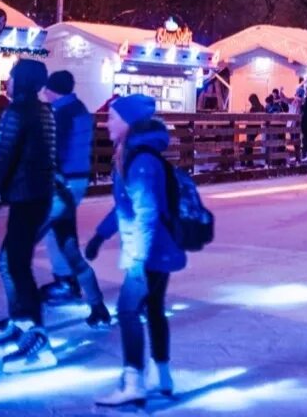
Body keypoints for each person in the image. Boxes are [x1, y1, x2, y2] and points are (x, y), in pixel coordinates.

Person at [87, 95, 186, 408]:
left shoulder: (141, 161)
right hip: (158, 249)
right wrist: (101, 235)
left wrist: (139, 260)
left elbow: (145, 212)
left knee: (129, 311)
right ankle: (163, 376)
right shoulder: (132, 156)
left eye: (112, 118)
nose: (106, 123)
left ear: (128, 123)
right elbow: (125, 206)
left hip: (150, 252)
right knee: (154, 309)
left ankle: (134, 382)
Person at [0, 59, 59, 373]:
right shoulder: (43, 111)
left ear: (21, 81)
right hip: (38, 195)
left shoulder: (17, 112)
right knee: (11, 262)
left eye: (11, 75)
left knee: (15, 264)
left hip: (27, 197)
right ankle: (20, 322)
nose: (7, 80)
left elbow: (3, 158)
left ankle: (37, 339)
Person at [36, 71, 110, 326]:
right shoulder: (77, 108)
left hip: (64, 180)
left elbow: (56, 149)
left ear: (54, 90)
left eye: (47, 89)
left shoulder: (63, 114)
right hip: (74, 178)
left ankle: (67, 282)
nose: (44, 93)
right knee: (59, 234)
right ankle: (74, 286)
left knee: (54, 234)